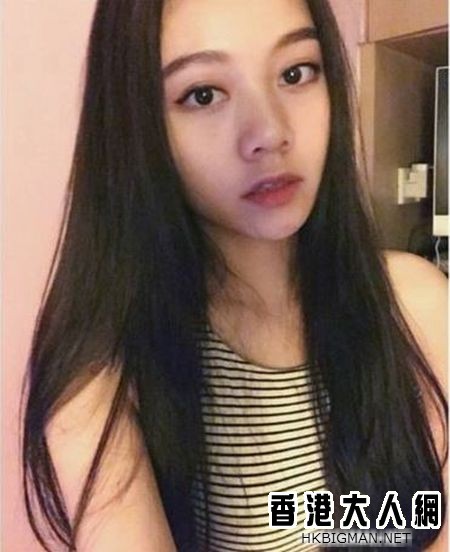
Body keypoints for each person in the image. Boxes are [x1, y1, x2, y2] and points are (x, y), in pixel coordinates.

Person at [21, 1, 447, 551]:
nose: (269, 131)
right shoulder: (106, 374)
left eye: (295, 73)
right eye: (203, 94)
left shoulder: (416, 305)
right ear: (135, 125)